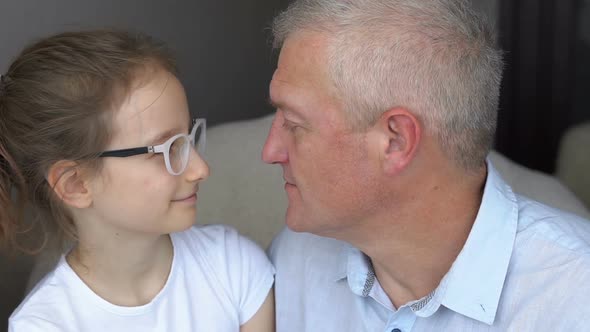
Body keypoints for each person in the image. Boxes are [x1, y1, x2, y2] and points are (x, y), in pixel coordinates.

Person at [262, 0, 590, 330]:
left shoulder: (574, 299)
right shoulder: (297, 259)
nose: (271, 151)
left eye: (293, 123)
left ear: (396, 141)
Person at [0, 30, 274, 332]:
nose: (200, 168)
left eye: (188, 140)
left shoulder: (233, 266)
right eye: (168, 149)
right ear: (75, 184)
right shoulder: (44, 325)